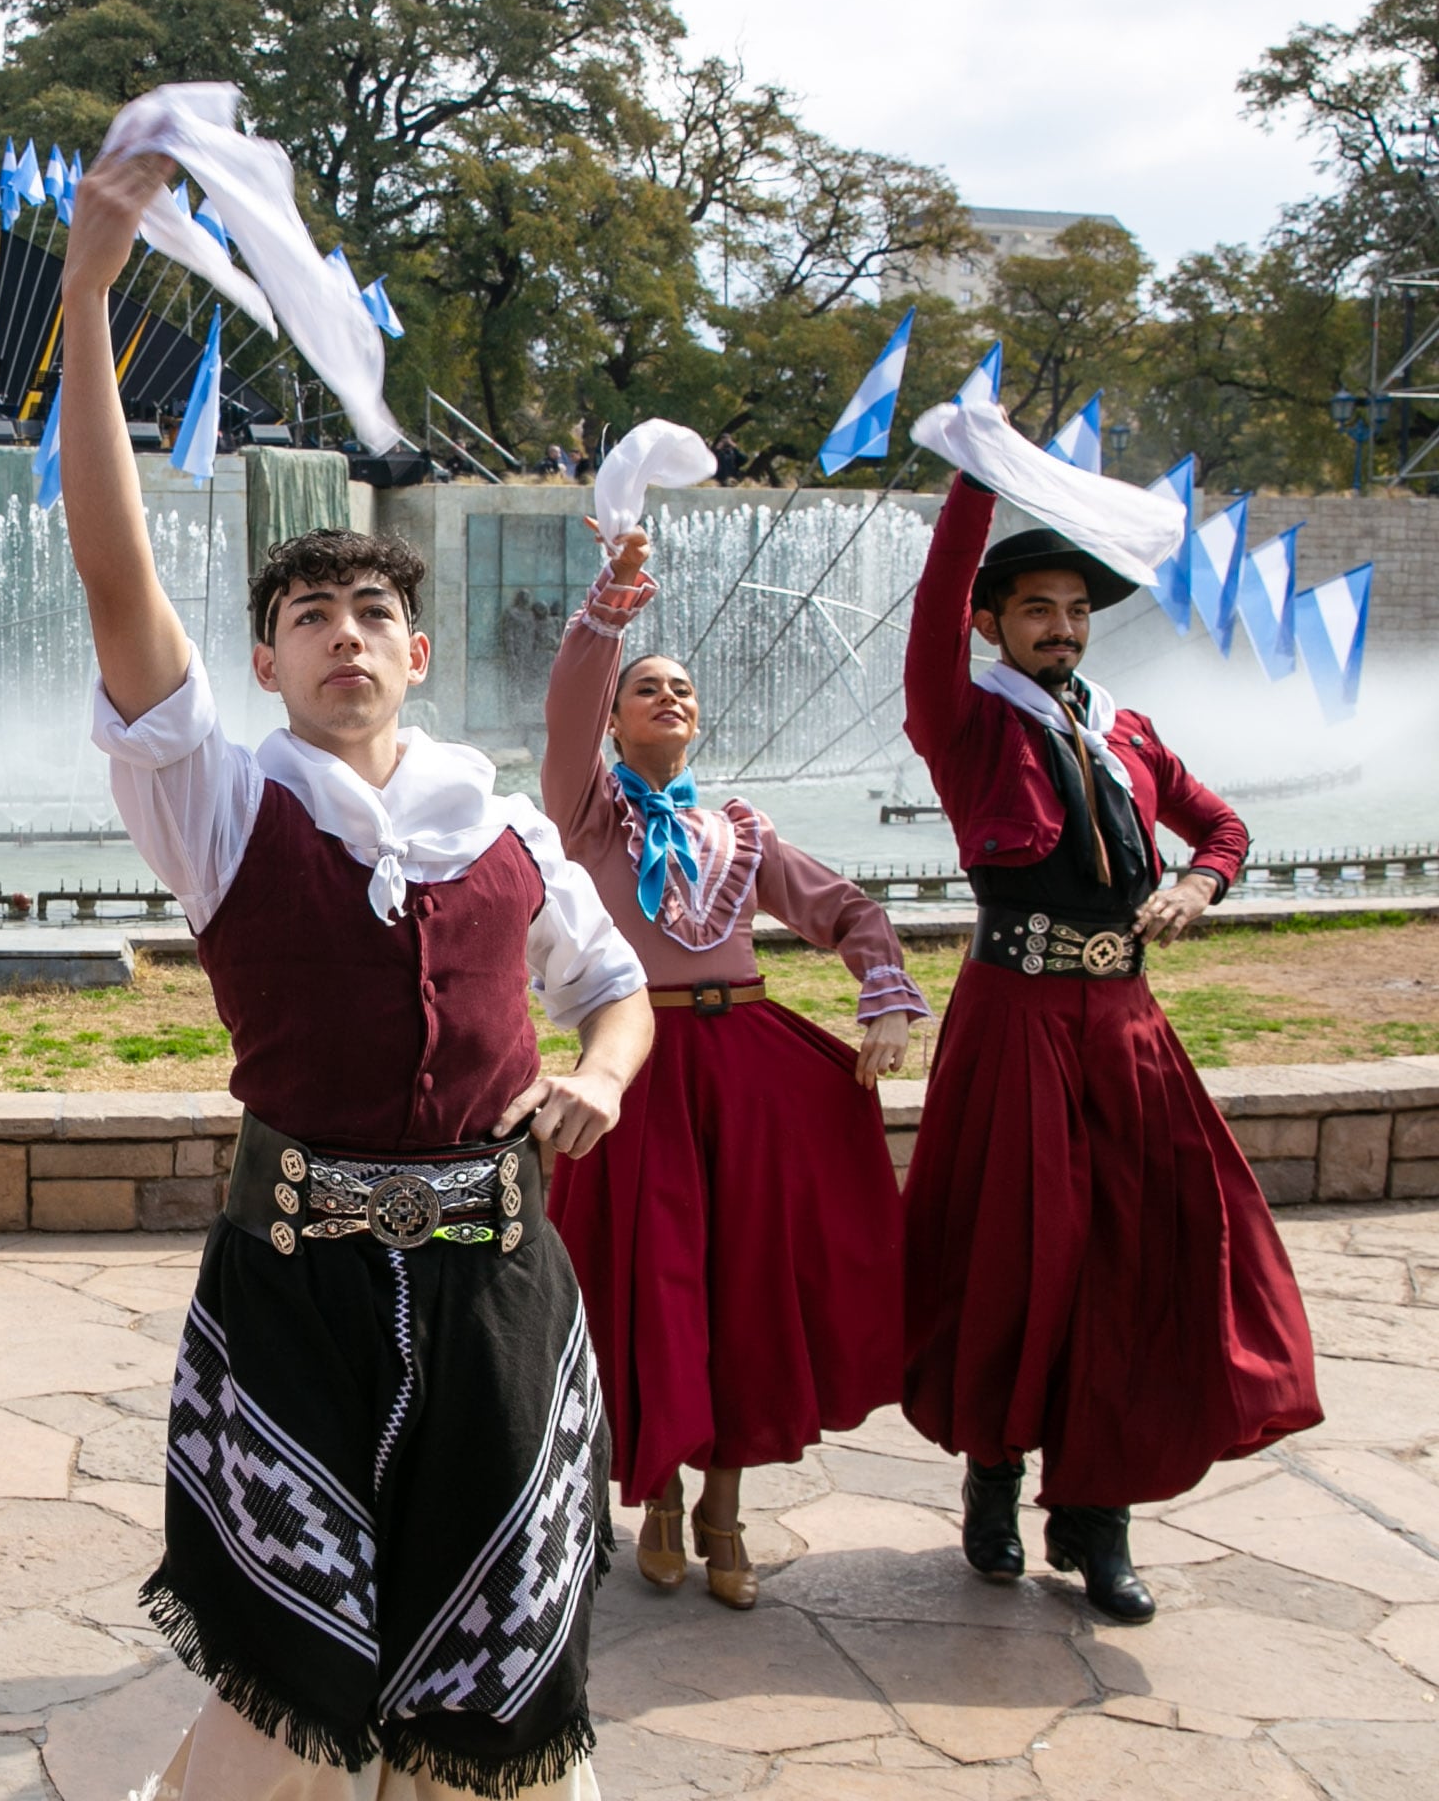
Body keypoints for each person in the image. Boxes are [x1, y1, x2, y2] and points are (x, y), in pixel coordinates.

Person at [56, 150, 652, 1801]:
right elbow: (116, 576)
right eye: (308, 613)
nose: (343, 633)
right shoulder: (222, 802)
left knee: (498, 1692)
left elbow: (621, 990)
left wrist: (600, 1073)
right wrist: (93, 295)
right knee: (286, 1697)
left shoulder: (506, 827)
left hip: (498, 1288)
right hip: (296, 1289)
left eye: (371, 609)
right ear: (266, 660)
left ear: (418, 649)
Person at [901, 480, 1321, 1624]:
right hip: (1014, 1017)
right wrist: (974, 476)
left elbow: (1224, 825)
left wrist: (1198, 880)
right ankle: (995, 1474)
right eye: (1036, 608)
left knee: (1135, 1258)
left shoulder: (1126, 729)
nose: (1062, 627)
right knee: (1014, 1253)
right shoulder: (964, 717)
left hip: (1126, 1026)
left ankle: (1098, 1518)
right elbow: (936, 598)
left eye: (1077, 609)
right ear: (993, 622)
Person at [541, 523, 927, 1610]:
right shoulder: (590, 819)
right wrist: (612, 606)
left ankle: (724, 1503)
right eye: (646, 688)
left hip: (751, 1071)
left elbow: (848, 910)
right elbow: (567, 711)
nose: (668, 698)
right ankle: (656, 1493)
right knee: (656, 1280)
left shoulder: (741, 831)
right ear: (617, 719)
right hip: (645, 1065)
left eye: (682, 689)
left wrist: (883, 996)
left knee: (746, 1281)